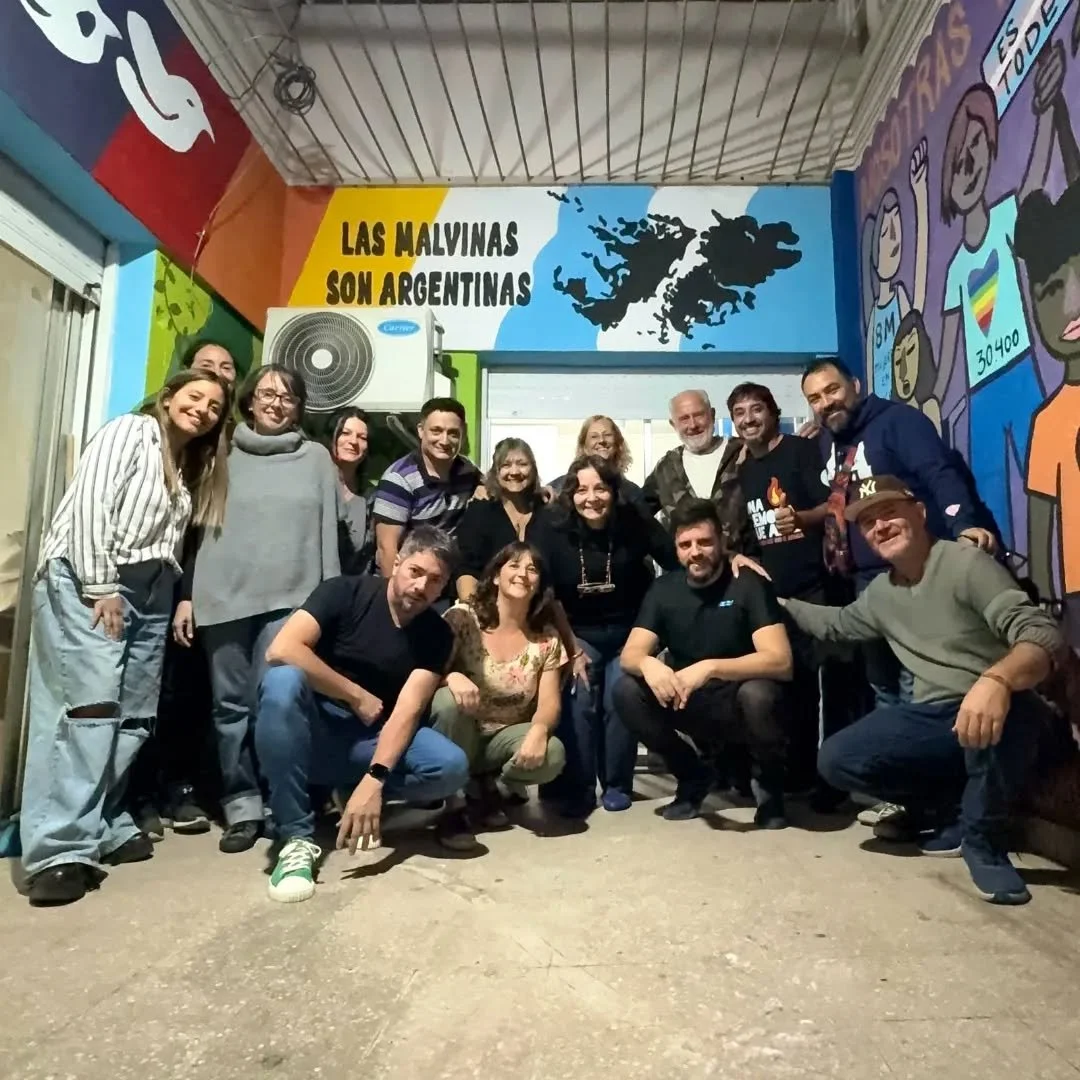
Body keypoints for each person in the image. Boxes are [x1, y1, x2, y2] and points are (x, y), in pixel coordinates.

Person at [782, 475, 1062, 905]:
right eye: (869, 521)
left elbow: (1041, 634)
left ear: (921, 512)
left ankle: (982, 841)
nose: (880, 526)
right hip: (934, 720)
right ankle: (945, 811)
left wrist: (998, 680)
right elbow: (835, 625)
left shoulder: (965, 565)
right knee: (837, 760)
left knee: (1010, 717)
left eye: (890, 512)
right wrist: (772, 597)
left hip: (1001, 709)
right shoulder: (880, 595)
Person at [19, 369, 231, 905]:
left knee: (134, 716)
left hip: (152, 590)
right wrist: (99, 585)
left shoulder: (188, 467)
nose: (203, 409)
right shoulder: (130, 432)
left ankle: (101, 821)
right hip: (95, 578)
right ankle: (58, 848)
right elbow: (92, 504)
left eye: (213, 406)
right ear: (168, 397)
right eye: (195, 397)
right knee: (86, 713)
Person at [254, 527, 470, 903]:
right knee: (282, 683)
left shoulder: (437, 633)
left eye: (435, 581)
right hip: (315, 729)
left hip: (370, 738)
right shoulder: (345, 592)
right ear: (397, 562)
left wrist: (374, 781)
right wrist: (354, 695)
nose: (421, 586)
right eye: (415, 572)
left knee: (450, 767)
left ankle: (355, 794)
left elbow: (408, 710)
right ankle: (296, 838)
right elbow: (282, 648)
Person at [189, 363, 341, 854]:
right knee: (229, 709)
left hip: (290, 601)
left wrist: (329, 602)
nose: (276, 403)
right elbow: (193, 529)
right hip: (222, 596)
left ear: (299, 408)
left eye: (288, 397)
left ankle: (283, 805)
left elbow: (327, 534)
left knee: (275, 704)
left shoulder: (316, 458)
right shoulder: (219, 451)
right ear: (249, 401)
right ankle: (241, 806)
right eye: (267, 394)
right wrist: (187, 596)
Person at [616, 498, 794, 826]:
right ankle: (692, 775)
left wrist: (711, 666)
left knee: (759, 694)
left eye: (704, 542)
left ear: (722, 541)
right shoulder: (664, 589)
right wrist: (650, 665)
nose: (695, 552)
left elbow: (781, 660)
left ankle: (769, 788)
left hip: (741, 703)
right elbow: (630, 653)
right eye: (685, 544)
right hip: (690, 702)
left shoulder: (748, 583)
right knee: (626, 689)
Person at [129, 340, 242, 841]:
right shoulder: (143, 433)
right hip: (146, 580)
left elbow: (207, 528)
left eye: (226, 370)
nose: (216, 376)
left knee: (186, 691)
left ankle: (179, 789)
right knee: (147, 691)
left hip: (194, 578)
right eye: (206, 368)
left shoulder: (223, 444)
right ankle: (137, 796)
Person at [727, 381, 858, 803]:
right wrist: (740, 559)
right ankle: (801, 776)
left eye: (756, 410)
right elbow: (752, 531)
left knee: (836, 688)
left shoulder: (801, 452)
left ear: (772, 412)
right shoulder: (745, 469)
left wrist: (802, 518)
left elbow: (833, 507)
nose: (748, 419)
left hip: (819, 587)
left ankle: (834, 783)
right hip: (776, 596)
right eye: (740, 413)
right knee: (796, 688)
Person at [536, 455, 679, 816]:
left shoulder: (634, 522)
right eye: (581, 490)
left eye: (600, 488)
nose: (591, 498)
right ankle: (579, 785)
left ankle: (617, 784)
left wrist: (729, 558)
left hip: (631, 632)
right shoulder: (552, 528)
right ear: (570, 494)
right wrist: (569, 648)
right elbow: (547, 595)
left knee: (619, 696)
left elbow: (677, 560)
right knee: (580, 695)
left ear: (614, 491)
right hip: (576, 631)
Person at [432, 542, 567, 849]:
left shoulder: (545, 638)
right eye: (514, 566)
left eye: (532, 569)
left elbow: (549, 702)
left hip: (500, 738)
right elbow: (422, 673)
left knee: (552, 752)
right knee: (447, 701)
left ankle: (487, 784)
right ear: (495, 576)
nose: (523, 574)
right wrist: (451, 676)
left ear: (540, 585)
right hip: (458, 731)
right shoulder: (462, 618)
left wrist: (539, 730)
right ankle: (453, 805)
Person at [1014, 184, 1080, 610]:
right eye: (1052, 291)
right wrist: (1043, 602)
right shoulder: (1049, 421)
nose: (1072, 304)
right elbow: (1040, 527)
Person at [372, 398, 481, 598]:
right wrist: (392, 601)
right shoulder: (399, 479)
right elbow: (386, 548)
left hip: (446, 584)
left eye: (453, 433)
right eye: (436, 431)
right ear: (421, 430)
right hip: (410, 587)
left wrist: (539, 491)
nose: (445, 440)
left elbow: (500, 484)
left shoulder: (468, 471)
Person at [642, 389, 754, 554]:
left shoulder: (745, 452)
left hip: (744, 568)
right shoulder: (666, 468)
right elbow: (636, 515)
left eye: (699, 415)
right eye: (684, 418)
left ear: (712, 414)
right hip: (689, 573)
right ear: (673, 424)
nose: (693, 425)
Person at [455, 438, 552, 602]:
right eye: (506, 465)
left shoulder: (547, 511)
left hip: (539, 611)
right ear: (496, 472)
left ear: (533, 469)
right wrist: (474, 613)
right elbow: (467, 568)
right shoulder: (481, 510)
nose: (514, 471)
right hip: (490, 609)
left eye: (522, 464)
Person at [545, 416, 646, 510]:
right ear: (584, 445)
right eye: (594, 436)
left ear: (617, 443)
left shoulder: (632, 494)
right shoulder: (559, 488)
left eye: (607, 435)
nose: (602, 440)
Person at [329, 407, 374, 574]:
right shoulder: (312, 484)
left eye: (362, 437)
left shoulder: (370, 497)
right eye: (345, 433)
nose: (354, 441)